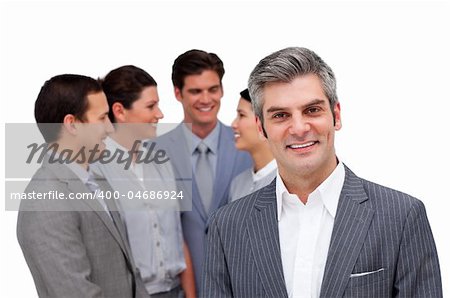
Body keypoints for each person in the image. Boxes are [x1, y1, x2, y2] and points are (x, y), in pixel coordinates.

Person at [202, 47, 442, 297]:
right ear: (261, 129)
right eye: (281, 115)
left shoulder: (401, 217)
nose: (299, 127)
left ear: (336, 115)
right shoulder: (227, 227)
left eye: (312, 110)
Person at [17, 74, 148, 297]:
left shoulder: (97, 181)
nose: (110, 128)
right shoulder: (45, 200)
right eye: (102, 117)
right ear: (72, 124)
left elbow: (131, 275)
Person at [92, 65, 196, 297]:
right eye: (151, 106)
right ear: (119, 111)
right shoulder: (96, 169)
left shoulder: (161, 162)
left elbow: (178, 237)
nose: (159, 114)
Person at [156, 49, 252, 292]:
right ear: (178, 93)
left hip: (240, 287)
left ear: (221, 90)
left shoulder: (250, 146)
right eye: (196, 91)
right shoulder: (153, 153)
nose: (206, 99)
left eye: (213, 89)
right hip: (179, 290)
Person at [229, 88, 277, 202]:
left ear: (262, 122)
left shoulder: (287, 182)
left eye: (242, 115)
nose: (233, 124)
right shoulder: (237, 184)